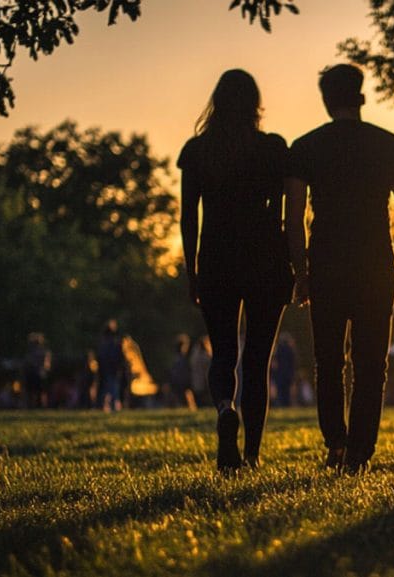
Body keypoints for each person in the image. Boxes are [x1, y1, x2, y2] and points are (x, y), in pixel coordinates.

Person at [286, 63, 394, 474]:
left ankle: (336, 443)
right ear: (362, 97)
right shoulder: (387, 144)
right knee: (372, 363)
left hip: (327, 264)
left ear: (326, 100)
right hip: (375, 265)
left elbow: (294, 215)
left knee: (328, 361)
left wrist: (300, 272)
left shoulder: (305, 147)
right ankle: (359, 453)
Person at [178, 69, 293, 471]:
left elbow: (188, 217)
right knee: (258, 360)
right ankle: (252, 453)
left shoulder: (197, 151)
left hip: (216, 258)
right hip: (265, 258)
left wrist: (192, 271)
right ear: (254, 104)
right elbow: (282, 213)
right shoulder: (273, 148)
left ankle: (226, 407)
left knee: (223, 352)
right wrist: (293, 263)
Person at [96, 320, 127, 412]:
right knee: (112, 387)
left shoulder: (105, 342)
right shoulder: (114, 342)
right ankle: (111, 406)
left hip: (108, 369)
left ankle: (107, 406)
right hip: (111, 369)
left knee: (109, 387)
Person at [23, 332, 51, 408]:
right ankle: (34, 407)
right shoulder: (42, 352)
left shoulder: (43, 352)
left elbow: (46, 365)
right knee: (34, 393)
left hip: (39, 375)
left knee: (39, 393)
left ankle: (40, 407)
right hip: (35, 374)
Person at [270, 332, 297, 407]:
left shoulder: (278, 349)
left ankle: (281, 405)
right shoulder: (290, 350)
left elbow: (274, 364)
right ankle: (285, 405)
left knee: (280, 392)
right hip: (287, 374)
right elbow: (292, 364)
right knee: (286, 393)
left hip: (279, 374)